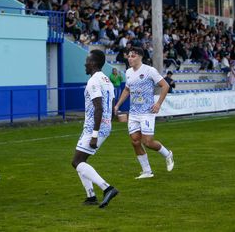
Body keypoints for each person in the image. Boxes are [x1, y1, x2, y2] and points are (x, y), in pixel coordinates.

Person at [114, 49, 174, 179]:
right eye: (128, 56)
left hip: (147, 112)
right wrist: (118, 104)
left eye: (133, 56)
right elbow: (127, 89)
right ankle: (147, 171)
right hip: (134, 113)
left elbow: (165, 86)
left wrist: (158, 104)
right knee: (135, 141)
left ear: (140, 57)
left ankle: (167, 154)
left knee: (147, 142)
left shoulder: (149, 70)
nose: (129, 58)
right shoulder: (128, 72)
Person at [71, 49, 118, 208]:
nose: (85, 63)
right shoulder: (107, 80)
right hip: (103, 125)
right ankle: (90, 196)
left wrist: (95, 134)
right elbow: (112, 108)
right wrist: (106, 125)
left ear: (93, 63)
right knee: (81, 161)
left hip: (94, 127)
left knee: (76, 161)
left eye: (87, 61)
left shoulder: (93, 81)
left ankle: (107, 188)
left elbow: (98, 108)